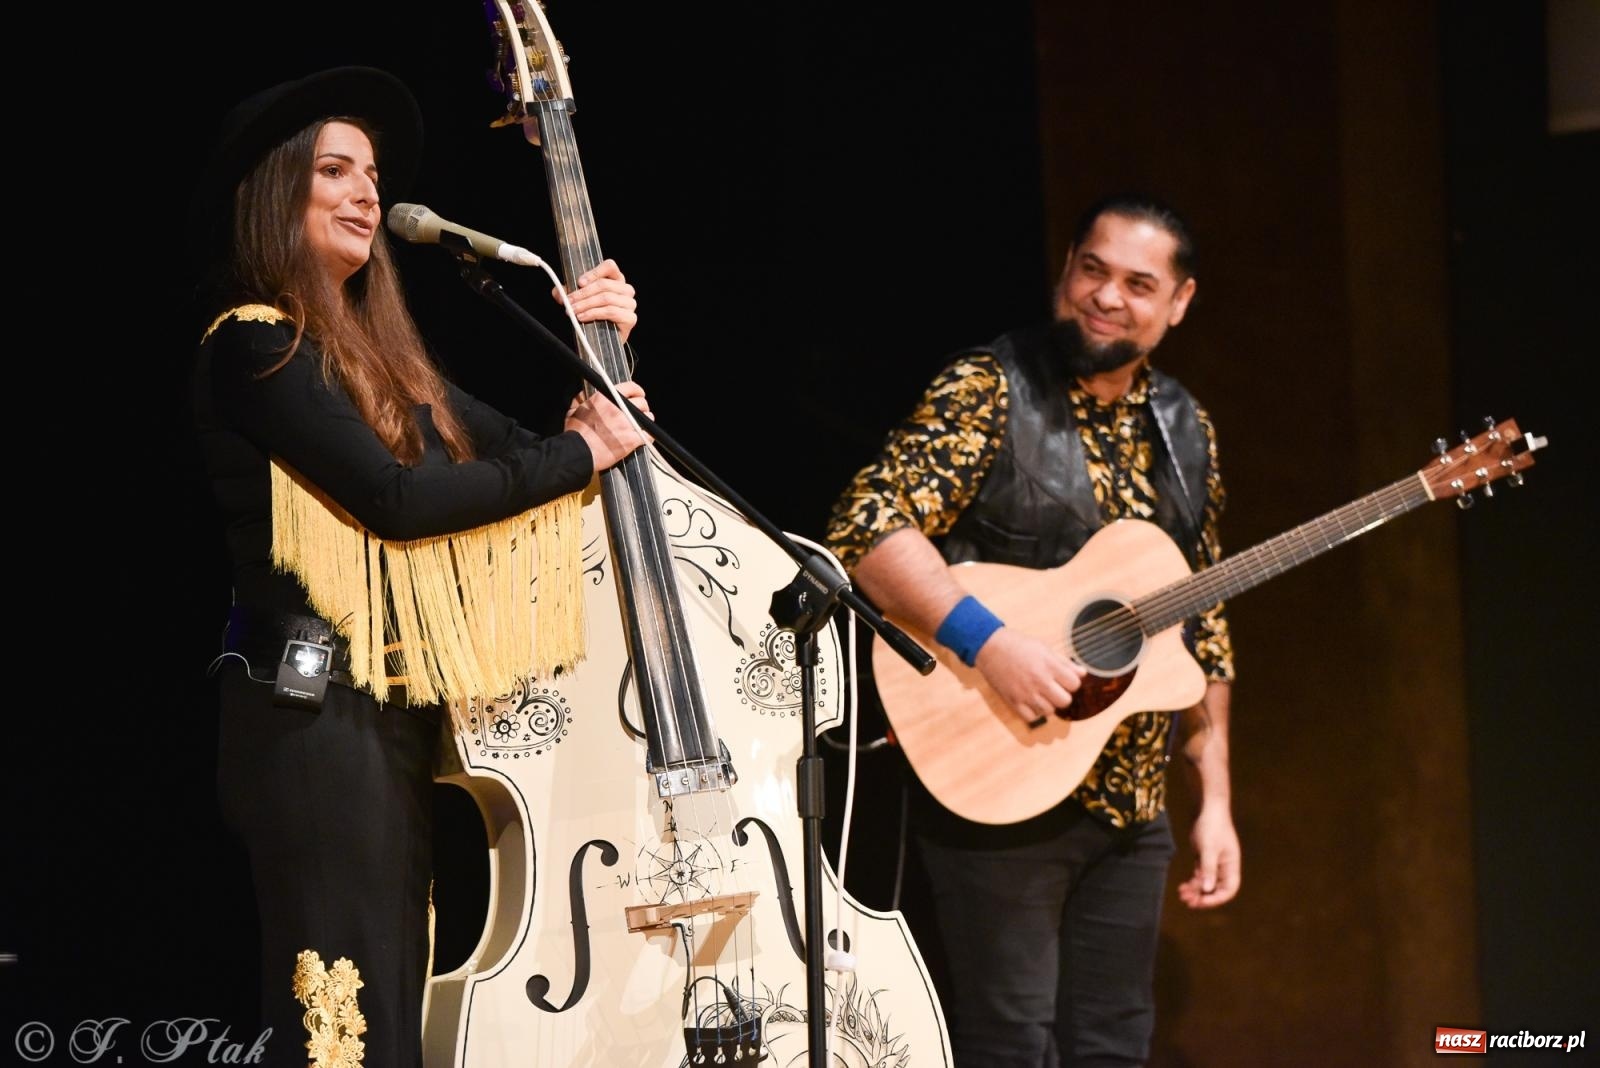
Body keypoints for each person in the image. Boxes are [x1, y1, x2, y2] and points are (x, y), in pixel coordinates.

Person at [188, 66, 651, 1067]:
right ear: (277, 191)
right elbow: (399, 504)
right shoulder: (255, 347)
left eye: (373, 173)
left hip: (386, 715)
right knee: (341, 1022)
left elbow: (529, 456)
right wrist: (580, 451)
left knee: (393, 1005)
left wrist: (592, 347)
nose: (366, 193)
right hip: (305, 717)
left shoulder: (385, 361)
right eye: (335, 170)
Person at [823, 193, 1240, 1067]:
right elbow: (866, 527)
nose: (1107, 297)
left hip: (1130, 800)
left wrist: (1218, 802)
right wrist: (990, 643)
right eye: (1092, 269)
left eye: (1137, 282)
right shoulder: (991, 388)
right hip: (998, 773)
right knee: (1008, 1046)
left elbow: (1204, 627)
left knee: (1114, 1046)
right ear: (1066, 272)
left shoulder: (1186, 430)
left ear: (1180, 303)